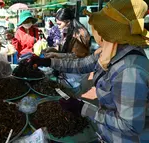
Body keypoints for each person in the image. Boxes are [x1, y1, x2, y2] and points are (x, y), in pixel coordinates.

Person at [29, 0, 149, 142]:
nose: (97, 32)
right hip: (105, 132)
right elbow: (82, 64)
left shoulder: (130, 70)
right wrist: (49, 62)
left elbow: (130, 125)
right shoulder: (110, 51)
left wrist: (84, 108)